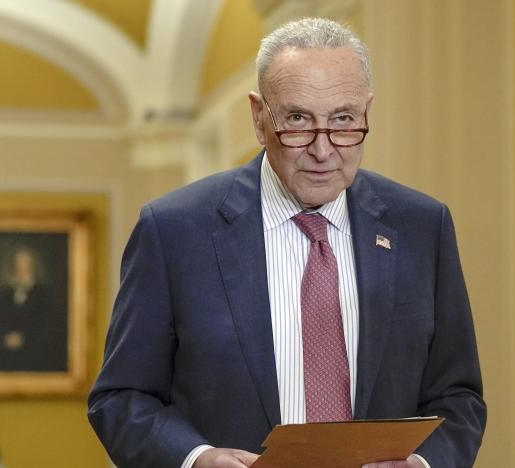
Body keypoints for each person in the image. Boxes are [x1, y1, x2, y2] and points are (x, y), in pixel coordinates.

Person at [89, 17, 486, 468]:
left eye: (343, 120)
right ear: (260, 117)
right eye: (298, 120)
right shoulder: (175, 230)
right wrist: (196, 458)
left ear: (366, 113)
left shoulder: (421, 226)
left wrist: (423, 464)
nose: (323, 149)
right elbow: (121, 398)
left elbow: (458, 396)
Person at [0, 247, 66, 372]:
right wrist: (5, 338)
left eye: (26, 268)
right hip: (5, 360)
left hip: (36, 360)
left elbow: (50, 331)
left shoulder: (45, 296)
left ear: (33, 269)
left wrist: (24, 339)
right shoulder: (4, 296)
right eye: (18, 268)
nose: (21, 272)